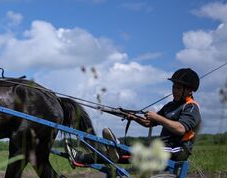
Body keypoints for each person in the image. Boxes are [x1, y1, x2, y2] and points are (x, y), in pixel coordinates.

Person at [66, 68, 201, 166]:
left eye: (177, 88)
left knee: (131, 150)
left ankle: (113, 147)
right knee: (120, 153)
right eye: (173, 87)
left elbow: (180, 129)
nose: (174, 91)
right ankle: (81, 157)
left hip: (176, 151)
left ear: (189, 90)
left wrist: (157, 117)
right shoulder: (171, 106)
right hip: (162, 148)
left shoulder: (191, 107)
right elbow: (149, 123)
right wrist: (134, 117)